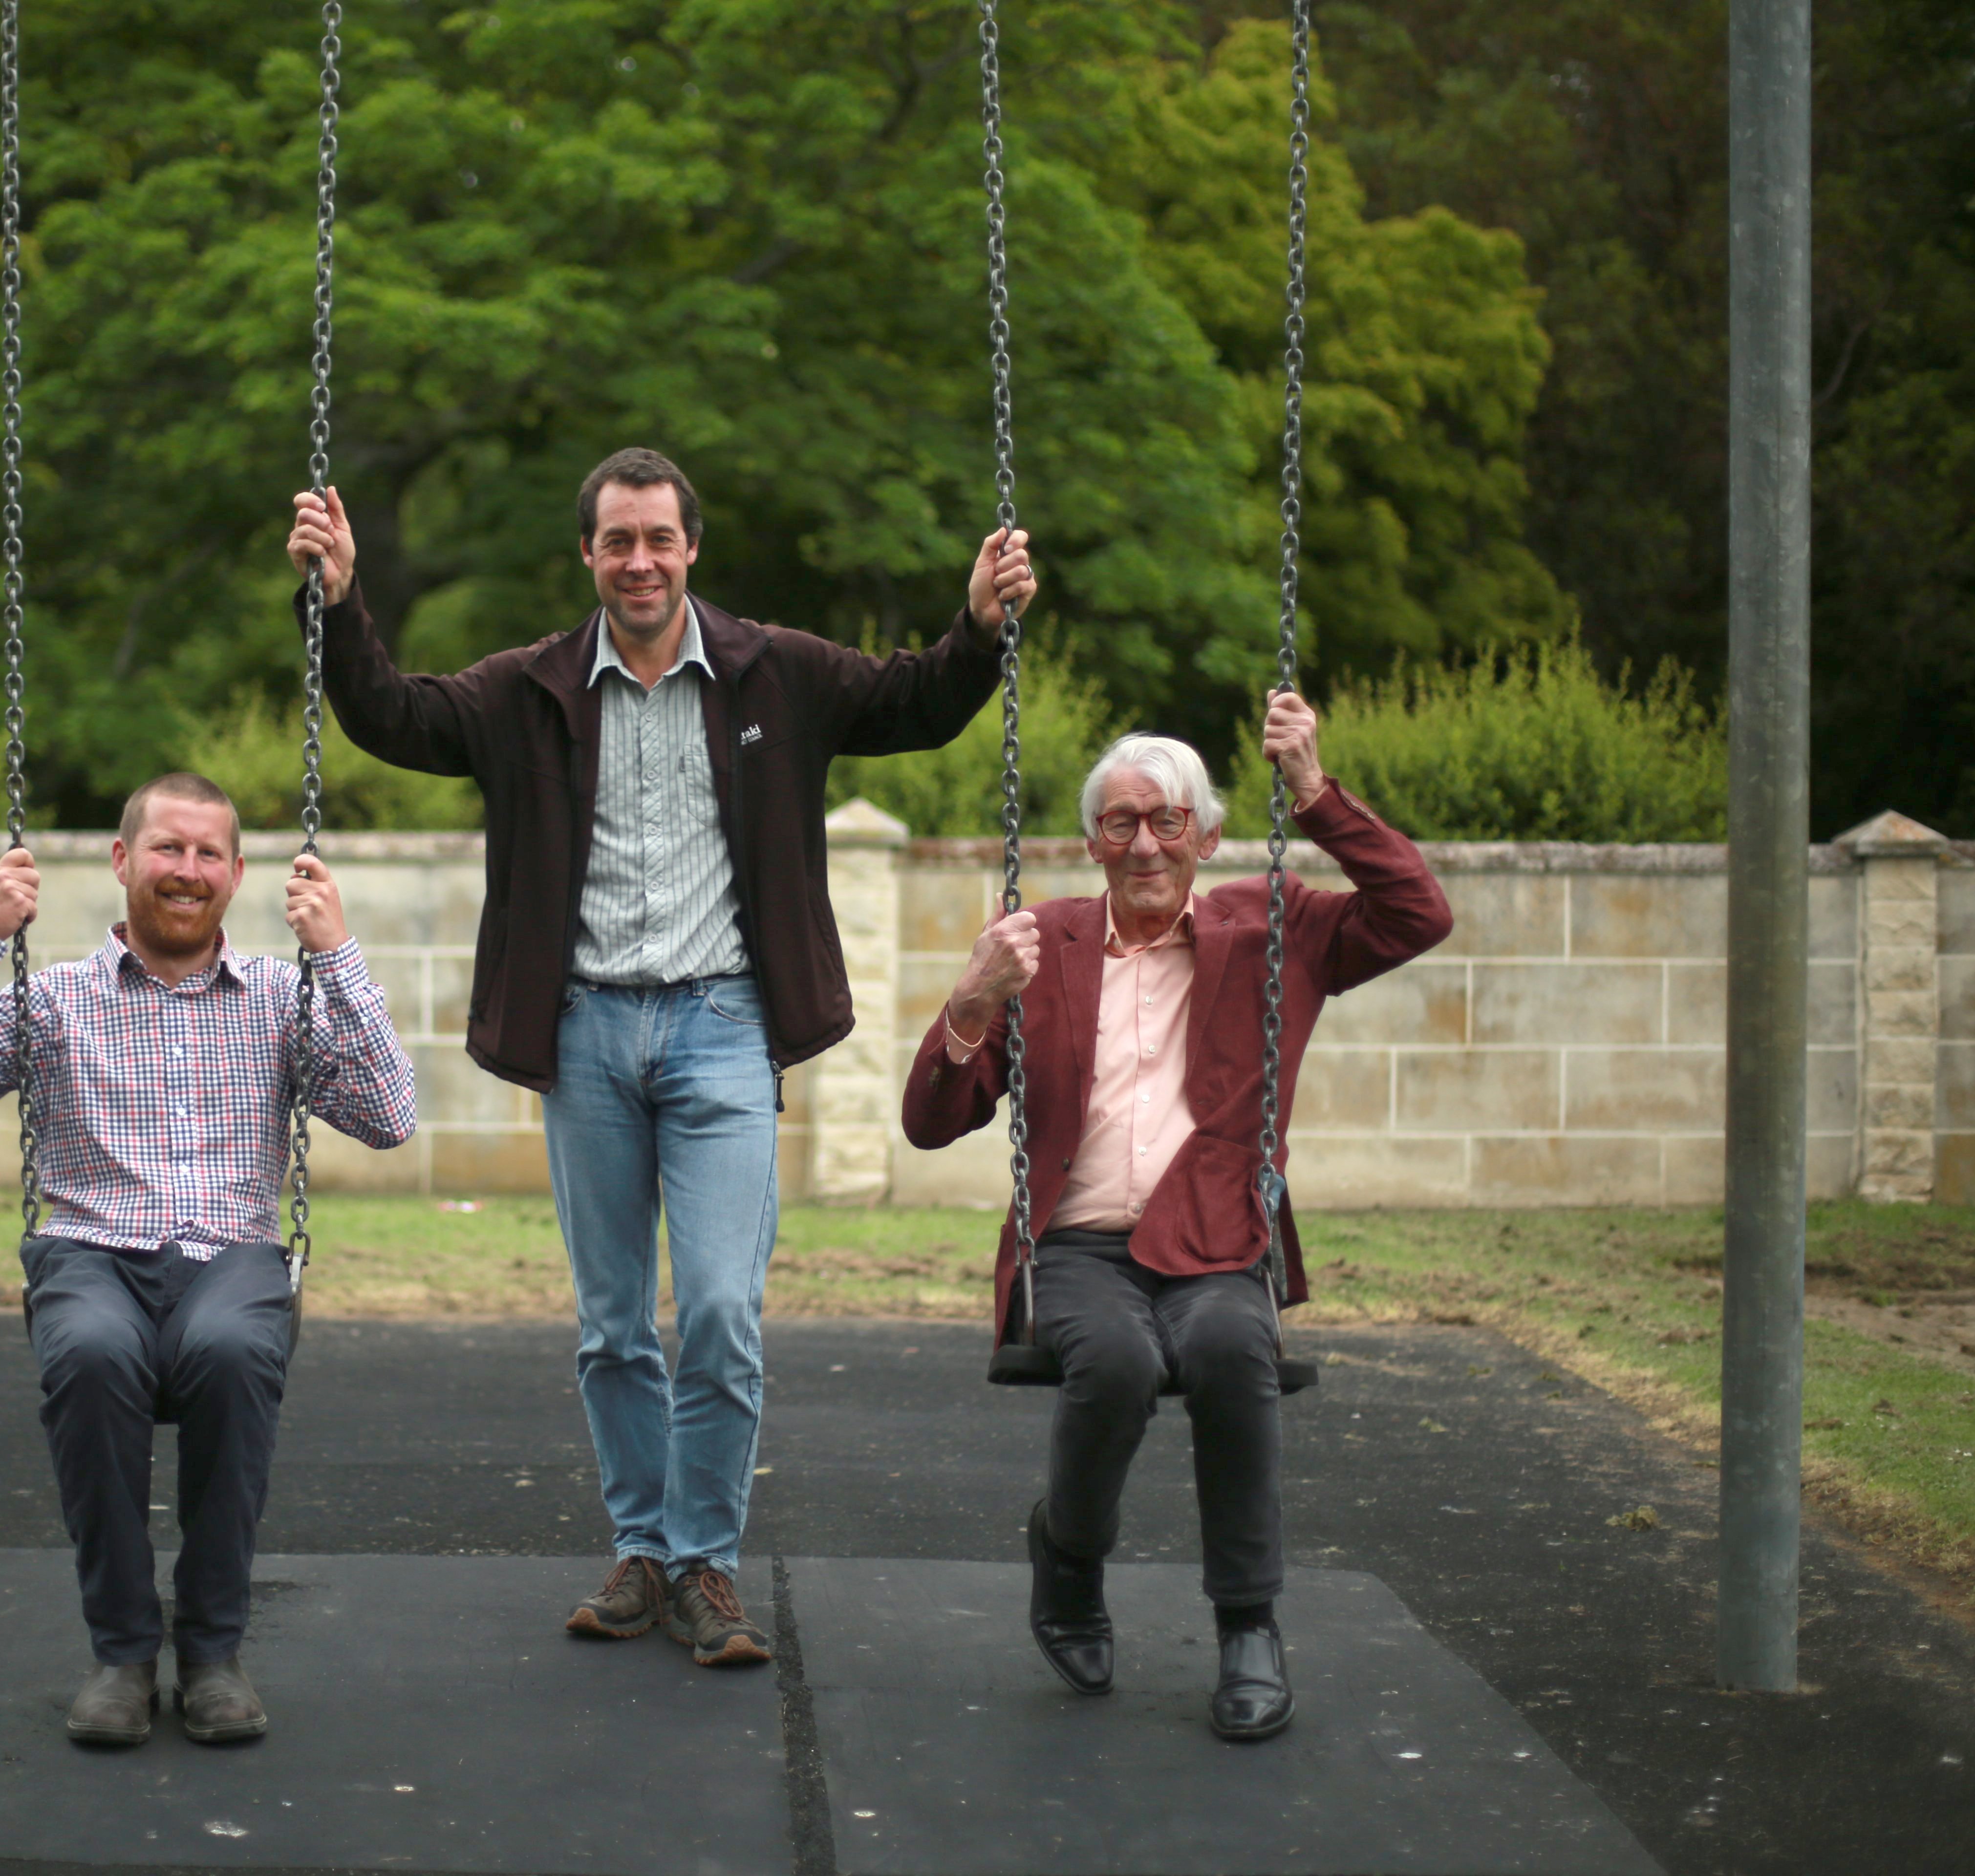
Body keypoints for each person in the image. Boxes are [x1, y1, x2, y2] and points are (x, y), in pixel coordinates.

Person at [287, 448, 1034, 1664]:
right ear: (587, 556)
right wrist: (340, 599)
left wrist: (980, 626)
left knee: (726, 1312)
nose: (641, 561)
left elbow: (917, 703)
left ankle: (706, 1564)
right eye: (618, 541)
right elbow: (391, 714)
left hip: (724, 1026)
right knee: (614, 1324)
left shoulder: (774, 673)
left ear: (693, 549)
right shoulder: (525, 689)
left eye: (660, 540)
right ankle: (641, 1550)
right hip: (585, 1031)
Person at [899, 696, 1450, 1741]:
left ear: (1207, 834)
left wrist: (1317, 793)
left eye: (1167, 821)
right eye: (1120, 822)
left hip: (1215, 1243)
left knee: (1235, 1351)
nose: (1144, 842)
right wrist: (972, 1003)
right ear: (1091, 840)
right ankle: (1068, 1560)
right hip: (1079, 1248)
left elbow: (1419, 911)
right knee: (1108, 1363)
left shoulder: (1275, 925)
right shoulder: (1041, 942)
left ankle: (1248, 1625)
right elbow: (932, 1123)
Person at [0, 774, 415, 1747]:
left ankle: (211, 1654)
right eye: (168, 849)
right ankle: (123, 1654)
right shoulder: (53, 1001)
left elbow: (391, 1118)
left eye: (209, 854)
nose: (188, 871)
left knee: (231, 1353)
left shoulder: (282, 1002)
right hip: (91, 1255)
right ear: (123, 861)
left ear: (240, 875)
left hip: (234, 1257)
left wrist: (337, 953)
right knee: (87, 1352)